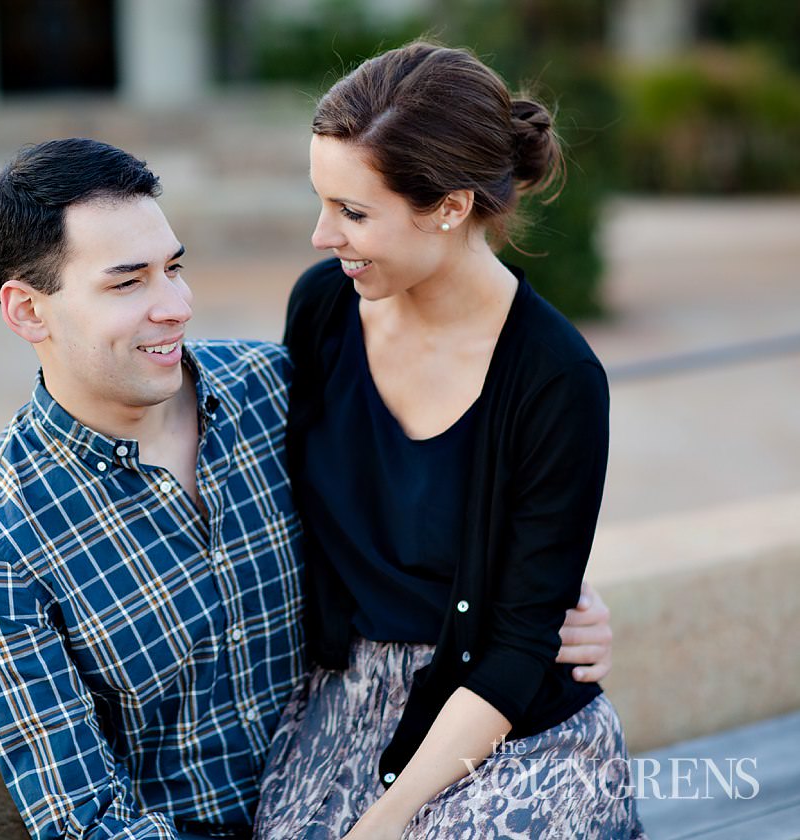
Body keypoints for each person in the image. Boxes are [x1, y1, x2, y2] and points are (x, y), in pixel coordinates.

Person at [0, 137, 614, 840]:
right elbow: (86, 819)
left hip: (362, 781)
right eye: (126, 283)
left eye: (174, 268)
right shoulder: (1, 542)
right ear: (26, 311)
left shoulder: (274, 391)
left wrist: (552, 605)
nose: (175, 306)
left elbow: (437, 520)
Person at [253, 43, 646, 839]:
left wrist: (390, 817)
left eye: (353, 212)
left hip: (508, 726)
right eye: (322, 200)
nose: (322, 234)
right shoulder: (323, 310)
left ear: (451, 206)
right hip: (343, 708)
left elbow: (516, 645)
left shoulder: (556, 378)